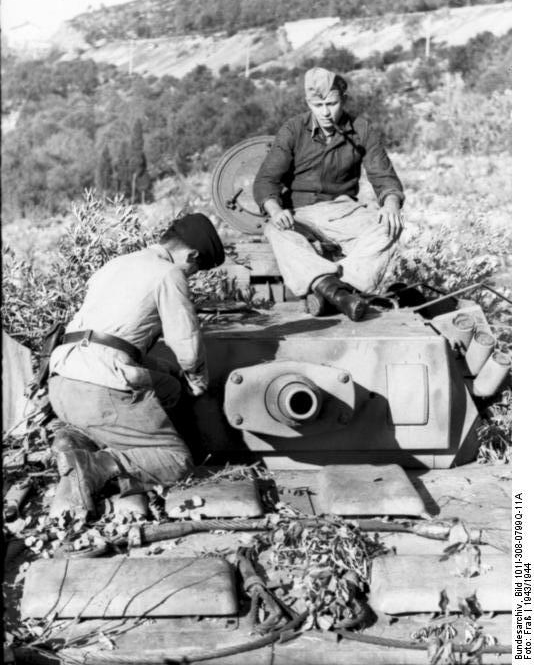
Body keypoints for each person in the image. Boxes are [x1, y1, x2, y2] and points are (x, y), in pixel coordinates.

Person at [48, 213, 225, 515]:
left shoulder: (116, 264)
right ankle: (97, 464)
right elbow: (187, 344)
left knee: (168, 386)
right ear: (192, 255)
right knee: (176, 460)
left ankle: (75, 439)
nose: (191, 274)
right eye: (195, 269)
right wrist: (196, 379)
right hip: (99, 389)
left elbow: (112, 338)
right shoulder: (169, 273)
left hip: (62, 383)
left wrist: (169, 373)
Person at [253, 67, 404, 321]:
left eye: (332, 104)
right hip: (301, 214)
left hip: (344, 212)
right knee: (275, 231)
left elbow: (384, 178)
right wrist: (276, 211)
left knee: (389, 227)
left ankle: (342, 289)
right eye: (318, 104)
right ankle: (331, 288)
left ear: (343, 100)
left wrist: (391, 204)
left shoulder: (361, 129)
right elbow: (265, 181)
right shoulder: (293, 130)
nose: (325, 112)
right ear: (308, 103)